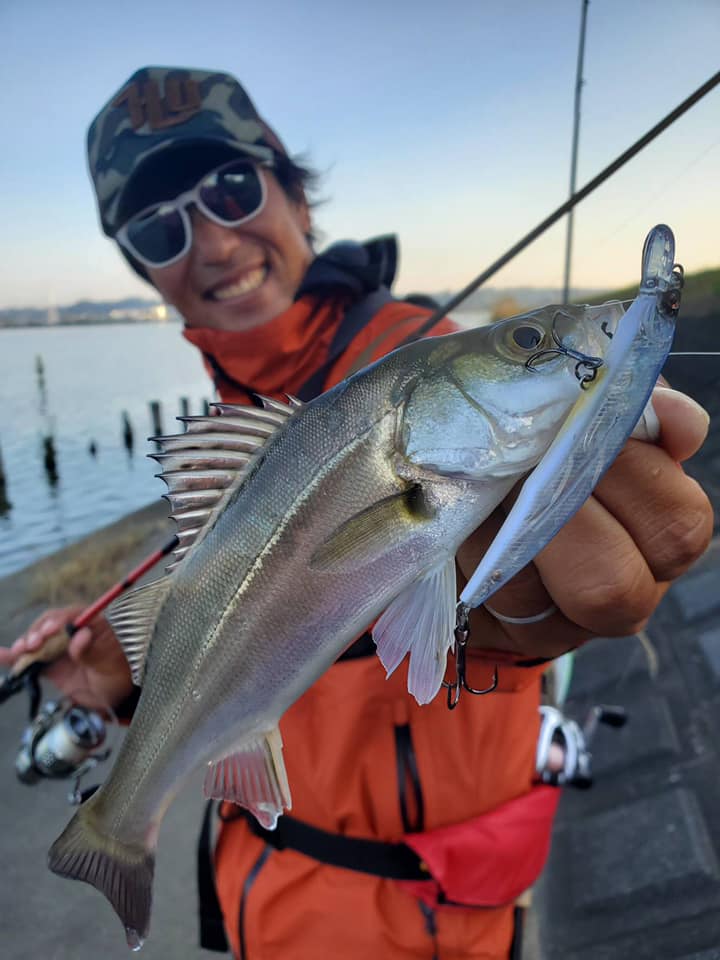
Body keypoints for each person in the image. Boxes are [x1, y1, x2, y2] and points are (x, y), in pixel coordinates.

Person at [0, 67, 713, 959]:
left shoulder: (416, 356)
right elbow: (231, 612)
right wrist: (110, 665)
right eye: (158, 228)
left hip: (437, 915)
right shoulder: (229, 424)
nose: (212, 242)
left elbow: (413, 604)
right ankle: (117, 828)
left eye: (232, 188)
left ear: (297, 197)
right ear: (141, 266)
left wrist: (504, 624)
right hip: (261, 904)